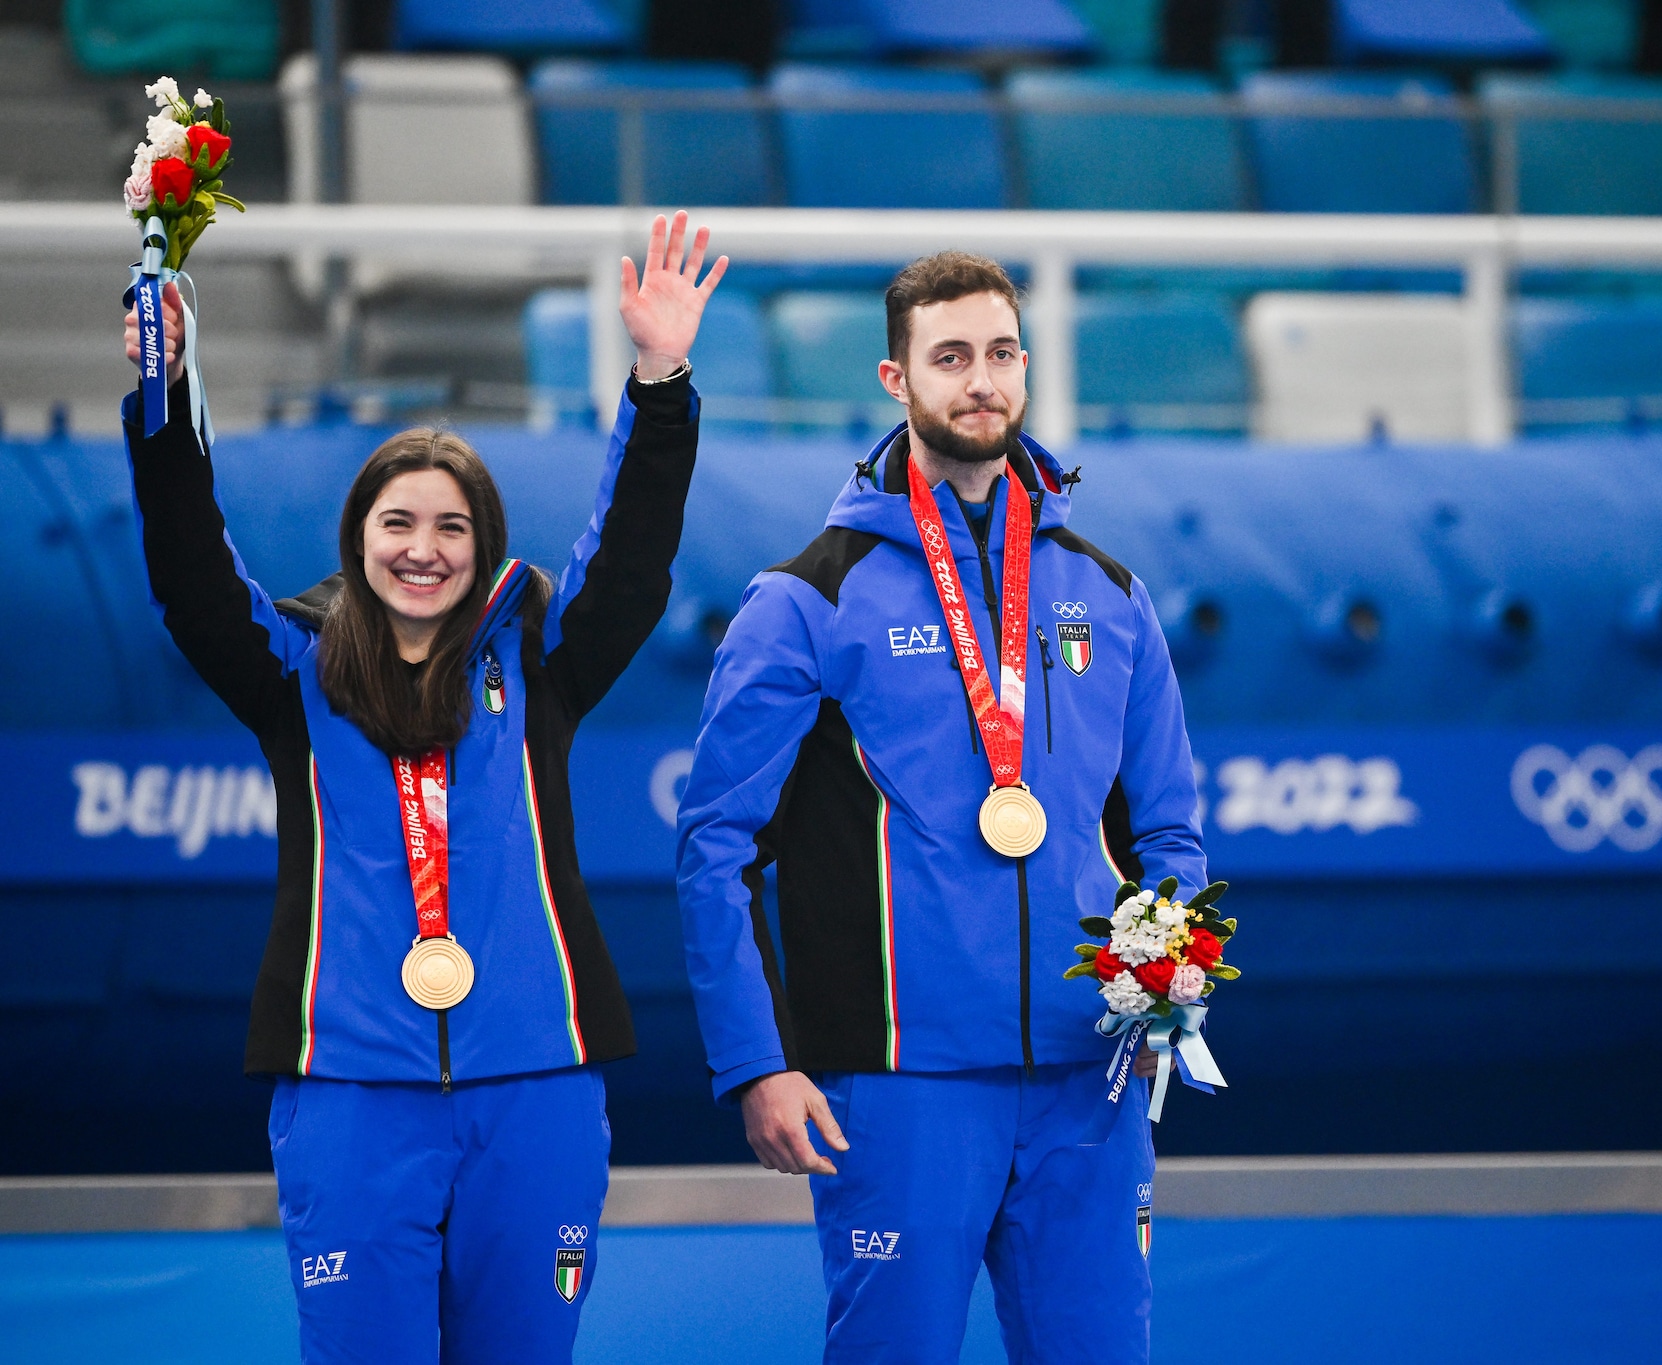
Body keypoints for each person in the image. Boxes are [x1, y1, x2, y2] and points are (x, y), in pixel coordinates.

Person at [121, 212, 727, 1364]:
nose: (423, 547)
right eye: (396, 522)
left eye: (452, 526)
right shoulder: (292, 673)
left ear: (483, 546)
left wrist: (659, 379)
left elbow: (633, 560)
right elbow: (191, 569)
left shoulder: (538, 661)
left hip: (535, 1084)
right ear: (357, 541)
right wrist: (166, 395)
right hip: (349, 1088)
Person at [675, 252, 1206, 1364]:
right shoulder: (806, 598)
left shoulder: (1107, 593)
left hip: (1088, 1080)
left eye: (1001, 353)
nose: (981, 382)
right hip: (899, 1083)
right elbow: (714, 849)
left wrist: (1161, 997)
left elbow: (1167, 834)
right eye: (950, 357)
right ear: (895, 377)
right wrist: (755, 1062)